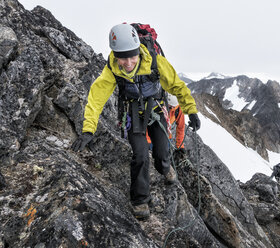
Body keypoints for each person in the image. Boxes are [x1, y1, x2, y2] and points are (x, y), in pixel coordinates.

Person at [71, 23, 201, 219]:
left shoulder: (156, 62)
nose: (129, 62)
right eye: (123, 58)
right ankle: (140, 200)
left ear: (139, 51)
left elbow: (177, 86)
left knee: (162, 151)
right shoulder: (113, 69)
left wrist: (192, 111)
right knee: (140, 155)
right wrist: (88, 130)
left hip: (156, 110)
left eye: (132, 56)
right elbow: (96, 98)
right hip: (132, 115)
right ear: (115, 55)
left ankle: (165, 168)